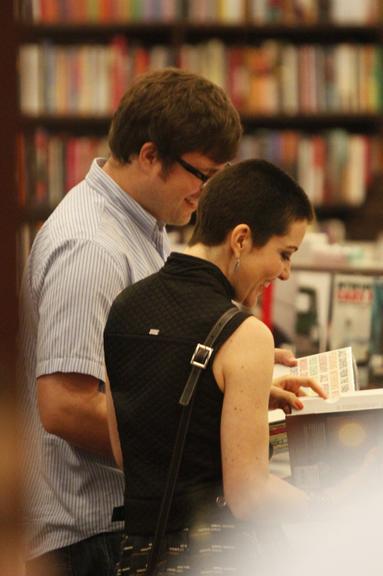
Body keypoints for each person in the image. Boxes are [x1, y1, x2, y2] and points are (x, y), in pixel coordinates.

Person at [20, 68, 243, 576]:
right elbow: (64, 405)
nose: (206, 194)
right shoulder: (92, 247)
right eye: (202, 176)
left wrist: (228, 369)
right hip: (83, 536)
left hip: (106, 525)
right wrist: (199, 438)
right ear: (149, 156)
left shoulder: (141, 224)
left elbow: (138, 363)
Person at [104, 159, 327, 575]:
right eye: (284, 254)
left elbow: (125, 453)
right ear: (241, 239)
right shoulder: (244, 333)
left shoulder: (124, 309)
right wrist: (334, 508)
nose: (284, 273)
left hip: (137, 558)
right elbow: (249, 496)